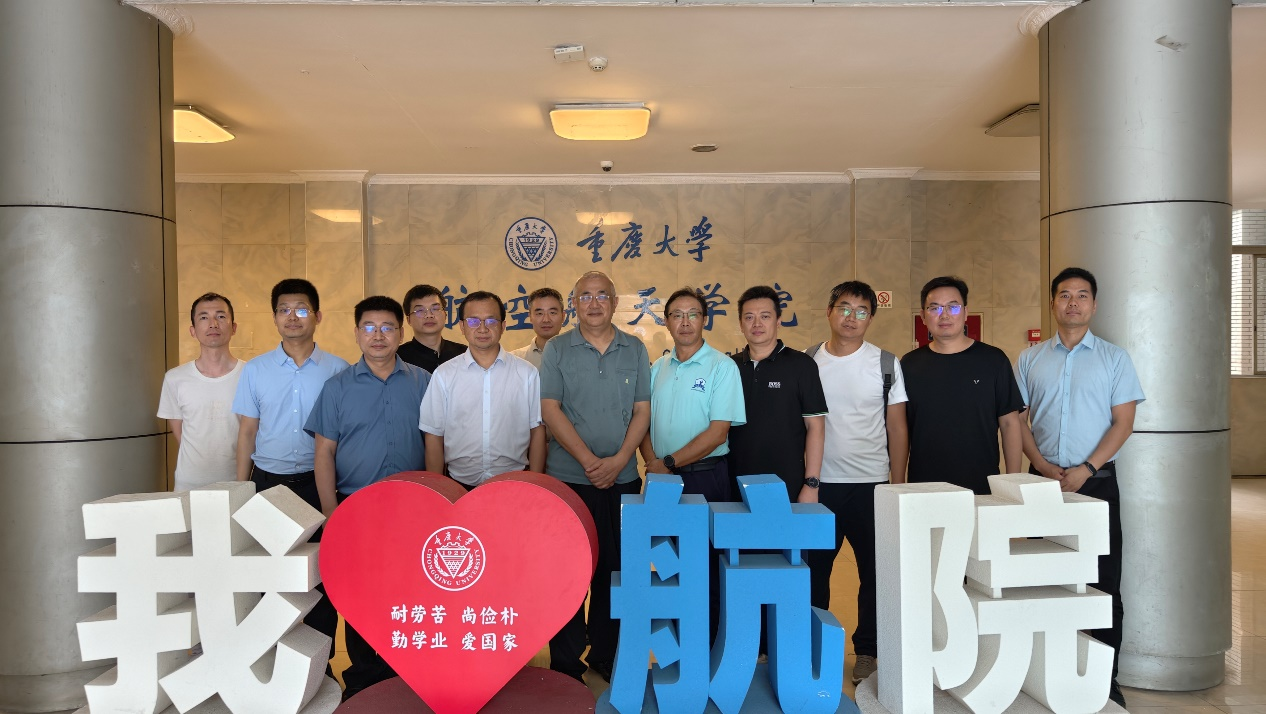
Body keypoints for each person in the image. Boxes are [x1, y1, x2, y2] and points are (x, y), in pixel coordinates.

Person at [1016, 267, 1144, 709]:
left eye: (1082, 295)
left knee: (1104, 585)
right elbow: (1017, 421)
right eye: (1065, 295)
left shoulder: (1115, 359)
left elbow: (1123, 423)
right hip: (1042, 484)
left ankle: (1106, 681)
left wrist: (1086, 469)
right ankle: (1041, 673)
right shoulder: (1029, 359)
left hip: (1097, 485)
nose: (1073, 302)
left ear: (1094, 304)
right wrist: (1041, 465)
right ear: (1053, 302)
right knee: (1039, 581)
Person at [305, 295, 430, 700]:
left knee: (409, 593)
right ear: (357, 333)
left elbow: (435, 442)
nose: (378, 336)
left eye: (387, 327)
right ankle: (363, 677)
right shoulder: (337, 387)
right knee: (360, 596)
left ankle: (405, 672)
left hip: (412, 507)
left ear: (401, 333)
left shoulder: (424, 381)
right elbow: (323, 452)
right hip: (355, 507)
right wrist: (331, 512)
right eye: (369, 328)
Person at [539, 271, 650, 684]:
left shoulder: (634, 348)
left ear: (615, 302)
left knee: (615, 572)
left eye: (602, 295)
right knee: (567, 574)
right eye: (585, 295)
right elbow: (550, 409)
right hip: (569, 480)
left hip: (622, 480)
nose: (594, 302)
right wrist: (589, 461)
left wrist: (619, 460)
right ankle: (566, 663)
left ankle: (606, 653)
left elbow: (642, 410)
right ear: (575, 304)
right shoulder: (557, 349)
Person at [231, 278, 349, 659]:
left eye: (301, 309)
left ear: (317, 316)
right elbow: (247, 432)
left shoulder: (338, 369)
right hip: (270, 485)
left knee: (320, 576)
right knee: (270, 575)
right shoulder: (256, 370)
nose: (292, 317)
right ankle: (274, 659)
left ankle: (320, 662)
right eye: (284, 310)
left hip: (320, 486)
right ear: (274, 317)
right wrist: (240, 490)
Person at [805, 280, 909, 686]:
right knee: (815, 573)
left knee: (874, 574)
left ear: (871, 317)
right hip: (821, 485)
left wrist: (896, 485)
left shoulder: (886, 363)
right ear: (829, 312)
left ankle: (867, 650)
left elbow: (897, 428)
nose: (851, 318)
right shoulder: (808, 360)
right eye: (844, 308)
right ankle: (815, 647)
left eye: (861, 311)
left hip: (872, 485)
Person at [640, 286, 746, 642]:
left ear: (704, 320)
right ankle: (676, 640)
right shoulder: (658, 368)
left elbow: (718, 433)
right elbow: (642, 421)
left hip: (705, 478)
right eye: (677, 315)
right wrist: (652, 462)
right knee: (667, 561)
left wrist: (667, 462)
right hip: (662, 481)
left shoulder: (722, 366)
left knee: (706, 564)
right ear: (667, 322)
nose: (685, 322)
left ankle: (709, 641)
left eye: (693, 315)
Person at [901, 275, 1024, 495]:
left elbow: (1010, 424)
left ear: (966, 313)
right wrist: (898, 483)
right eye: (934, 308)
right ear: (923, 316)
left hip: (981, 487)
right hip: (923, 488)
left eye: (953, 307)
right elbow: (901, 428)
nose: (944, 315)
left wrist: (1012, 484)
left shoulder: (993, 360)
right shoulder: (909, 365)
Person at [419, 291, 545, 487]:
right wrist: (439, 489)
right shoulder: (444, 375)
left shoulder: (527, 373)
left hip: (515, 483)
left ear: (503, 326)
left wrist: (535, 484)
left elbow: (537, 430)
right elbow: (434, 435)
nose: (483, 328)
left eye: (491, 321)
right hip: (459, 484)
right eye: (473, 321)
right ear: (462, 326)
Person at [727, 285, 826, 502]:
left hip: (787, 484)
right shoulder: (728, 367)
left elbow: (816, 427)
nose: (757, 324)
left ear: (778, 321)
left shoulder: (802, 365)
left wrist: (811, 484)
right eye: (749, 317)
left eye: (765, 316)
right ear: (741, 324)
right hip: (735, 484)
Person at [157, 292, 245, 491]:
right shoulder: (175, 378)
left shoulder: (251, 375)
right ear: (193, 330)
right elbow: (181, 434)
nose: (213, 324)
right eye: (204, 317)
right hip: (189, 484)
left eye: (220, 316)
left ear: (233, 328)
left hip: (239, 483)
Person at [397, 283, 467, 373]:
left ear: (445, 315)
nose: (429, 315)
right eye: (420, 310)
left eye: (435, 309)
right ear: (408, 319)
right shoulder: (397, 358)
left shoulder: (464, 354)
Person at [510, 287, 565, 369]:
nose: (546, 320)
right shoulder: (515, 360)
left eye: (552, 313)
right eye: (539, 313)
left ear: (563, 316)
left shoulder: (578, 356)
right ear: (530, 317)